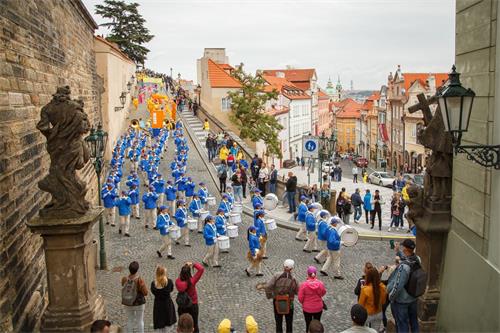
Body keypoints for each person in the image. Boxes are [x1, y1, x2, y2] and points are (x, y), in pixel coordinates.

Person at [386, 239, 420, 333]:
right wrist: (398, 252)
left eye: (403, 247)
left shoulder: (403, 267)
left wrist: (391, 297)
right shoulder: (417, 259)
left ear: (405, 248)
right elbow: (407, 259)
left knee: (402, 325)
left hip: (402, 302)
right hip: (413, 298)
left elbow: (398, 286)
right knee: (414, 323)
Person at [265, 259, 299, 333]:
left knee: (278, 322)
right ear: (292, 268)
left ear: (283, 266)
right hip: (289, 302)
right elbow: (297, 292)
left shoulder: (276, 275)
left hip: (277, 300)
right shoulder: (294, 279)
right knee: (289, 323)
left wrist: (270, 296)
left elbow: (268, 287)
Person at [175, 262, 205, 333]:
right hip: (193, 305)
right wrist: (193, 264)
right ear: (189, 273)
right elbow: (201, 269)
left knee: (182, 324)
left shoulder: (178, 282)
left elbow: (180, 278)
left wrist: (184, 268)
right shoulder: (192, 281)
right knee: (195, 324)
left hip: (182, 306)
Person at [121, 261, 148, 333]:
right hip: (138, 303)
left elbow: (123, 286)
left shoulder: (124, 279)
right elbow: (145, 293)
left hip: (128, 302)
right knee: (140, 321)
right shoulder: (139, 280)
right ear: (137, 270)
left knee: (129, 320)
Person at [298, 266, 327, 332]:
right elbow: (323, 292)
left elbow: (300, 298)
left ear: (308, 274)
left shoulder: (304, 285)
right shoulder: (320, 283)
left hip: (307, 308)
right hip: (318, 307)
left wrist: (304, 302)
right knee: (317, 324)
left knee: (308, 324)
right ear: (315, 274)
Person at [359, 267, 387, 331]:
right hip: (378, 313)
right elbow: (383, 302)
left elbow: (360, 305)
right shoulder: (382, 287)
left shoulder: (365, 290)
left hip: (367, 315)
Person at [151, 265, 177, 330]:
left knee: (160, 323)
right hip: (167, 304)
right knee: (167, 323)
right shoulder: (169, 282)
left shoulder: (153, 284)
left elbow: (153, 292)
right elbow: (171, 289)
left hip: (158, 305)